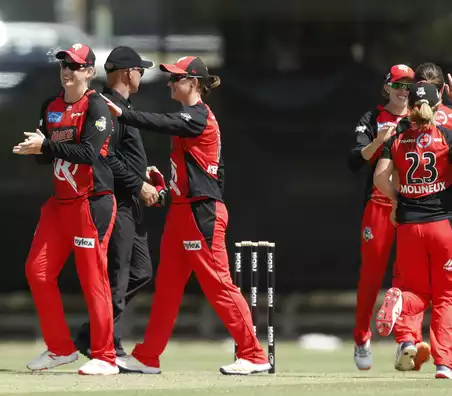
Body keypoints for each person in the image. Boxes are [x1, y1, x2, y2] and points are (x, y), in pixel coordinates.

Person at [100, 56, 271, 375]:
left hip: (200, 213)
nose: (169, 83)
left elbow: (165, 123)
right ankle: (149, 356)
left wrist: (125, 113)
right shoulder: (190, 118)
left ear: (193, 83)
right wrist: (172, 190)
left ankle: (253, 354)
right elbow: (210, 171)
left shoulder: (197, 116)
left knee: (219, 285)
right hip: (183, 211)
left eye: (175, 78)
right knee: (167, 288)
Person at [12, 43, 119, 375]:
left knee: (93, 280)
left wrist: (46, 144)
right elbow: (50, 155)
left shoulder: (97, 106)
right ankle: (60, 349)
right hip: (59, 205)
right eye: (63, 64)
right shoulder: (51, 106)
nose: (67, 70)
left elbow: (88, 153)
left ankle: (106, 357)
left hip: (91, 203)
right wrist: (38, 148)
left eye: (74, 65)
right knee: (38, 271)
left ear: (89, 72)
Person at [374, 81, 452, 379]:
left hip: (409, 226)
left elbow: (380, 179)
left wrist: (400, 198)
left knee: (414, 291)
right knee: (447, 296)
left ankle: (399, 301)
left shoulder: (396, 137)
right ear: (437, 107)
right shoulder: (449, 136)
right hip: (443, 224)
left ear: (409, 108)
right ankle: (445, 363)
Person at [74, 46, 159, 359]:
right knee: (119, 276)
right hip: (117, 202)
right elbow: (104, 154)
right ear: (128, 72)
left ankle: (90, 334)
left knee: (140, 271)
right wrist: (138, 184)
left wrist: (144, 173)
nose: (142, 74)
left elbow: (120, 153)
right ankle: (109, 346)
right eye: (140, 69)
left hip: (131, 201)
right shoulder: (106, 107)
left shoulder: (121, 106)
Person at [347, 64, 416, 370]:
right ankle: (362, 337)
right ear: (388, 87)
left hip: (412, 209)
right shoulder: (373, 118)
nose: (404, 90)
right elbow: (354, 160)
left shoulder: (421, 116)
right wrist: (378, 141)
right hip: (378, 207)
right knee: (372, 276)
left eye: (409, 86)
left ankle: (405, 339)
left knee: (407, 276)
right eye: (399, 85)